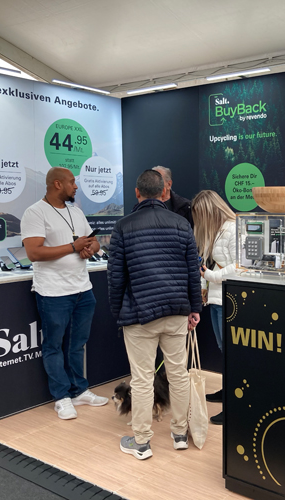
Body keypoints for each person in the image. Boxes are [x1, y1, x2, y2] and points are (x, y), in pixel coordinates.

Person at [108, 169, 202, 460]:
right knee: (179, 375)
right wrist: (194, 308)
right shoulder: (181, 223)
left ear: (137, 193)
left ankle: (141, 442)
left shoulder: (123, 226)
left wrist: (118, 312)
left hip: (139, 315)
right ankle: (179, 435)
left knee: (142, 379)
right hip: (176, 311)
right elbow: (193, 271)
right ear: (164, 192)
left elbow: (115, 278)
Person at [21, 167, 108, 420]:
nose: (76, 186)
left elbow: (93, 241)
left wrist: (90, 248)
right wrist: (73, 246)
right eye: (72, 182)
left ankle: (79, 390)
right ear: (57, 184)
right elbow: (34, 253)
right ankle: (61, 397)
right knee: (53, 346)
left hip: (83, 289)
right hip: (53, 292)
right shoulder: (35, 212)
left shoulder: (76, 211)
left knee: (77, 344)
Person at [191, 190, 237, 425]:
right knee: (224, 350)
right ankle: (227, 390)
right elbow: (206, 263)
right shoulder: (214, 231)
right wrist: (203, 285)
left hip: (230, 299)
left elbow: (240, 267)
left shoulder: (233, 229)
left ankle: (234, 401)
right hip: (216, 299)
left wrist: (210, 276)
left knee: (231, 353)